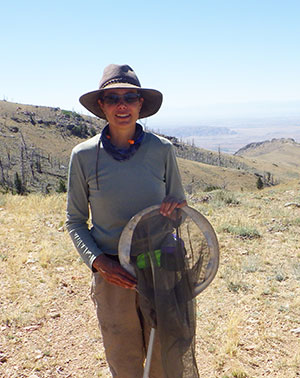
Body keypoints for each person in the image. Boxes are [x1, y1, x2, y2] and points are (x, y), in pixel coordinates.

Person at [66, 64, 187, 377]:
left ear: (140, 104)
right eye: (113, 98)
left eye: (130, 97)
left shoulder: (163, 150)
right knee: (124, 359)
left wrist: (175, 210)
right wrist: (99, 263)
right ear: (102, 106)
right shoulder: (82, 156)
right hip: (112, 277)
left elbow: (179, 210)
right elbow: (75, 221)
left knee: (162, 357)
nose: (122, 105)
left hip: (160, 271)